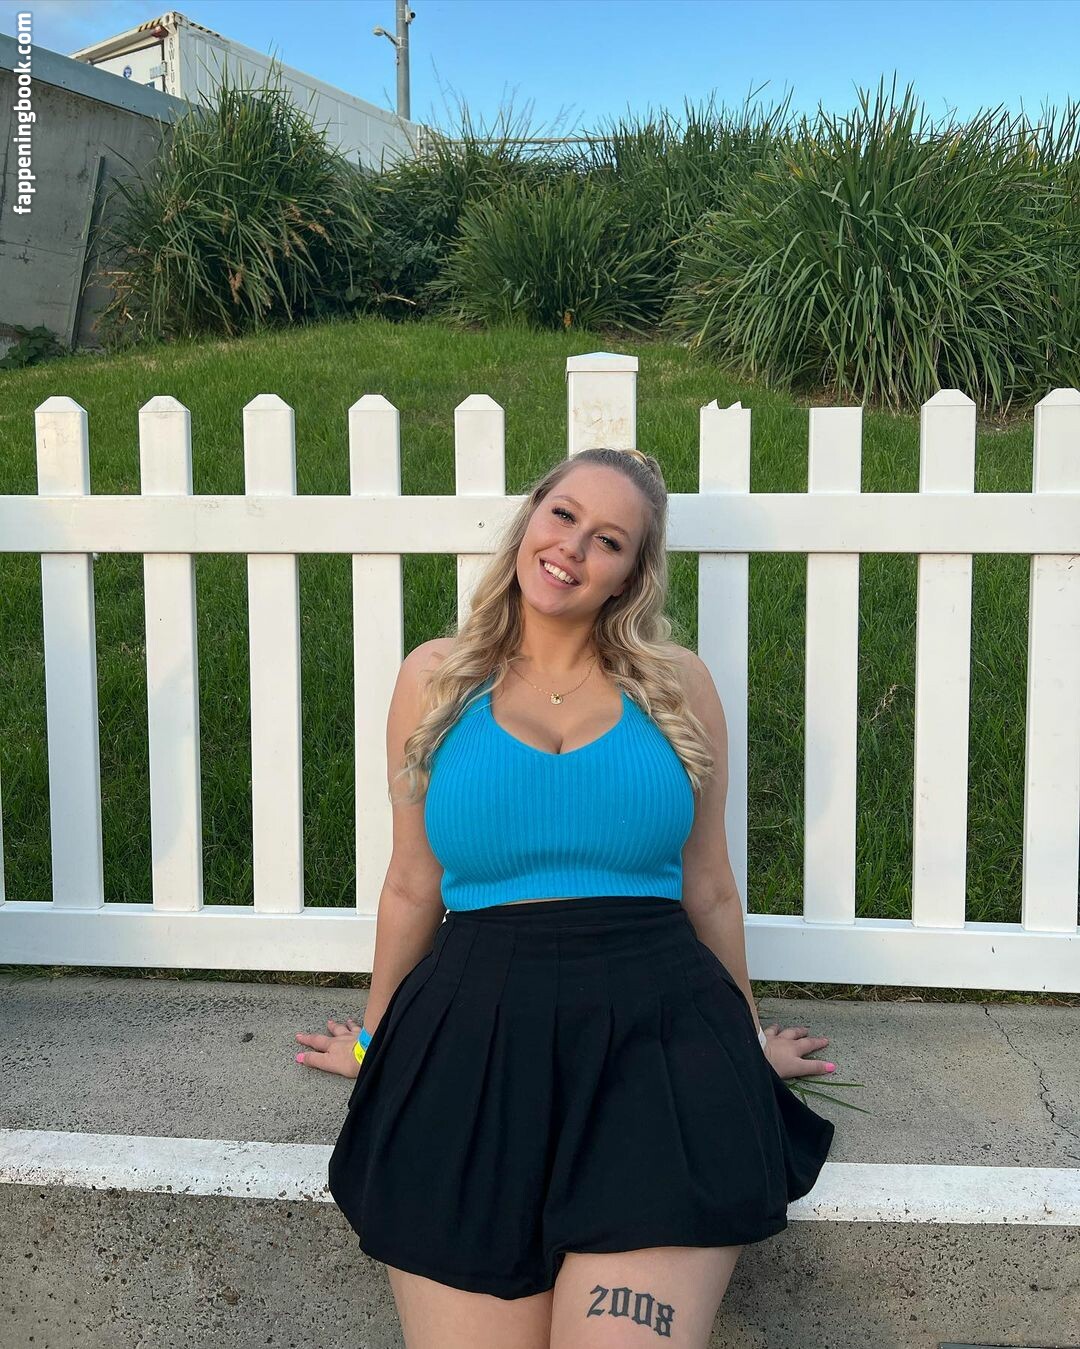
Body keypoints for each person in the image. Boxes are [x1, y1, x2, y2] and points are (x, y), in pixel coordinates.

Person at [296, 447, 836, 1349]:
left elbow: (708, 885)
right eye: (564, 515)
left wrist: (742, 1043)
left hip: (657, 1047)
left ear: (632, 572)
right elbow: (412, 882)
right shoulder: (436, 678)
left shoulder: (677, 686)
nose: (574, 547)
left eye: (609, 539)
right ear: (531, 517)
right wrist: (374, 1043)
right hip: (473, 1043)